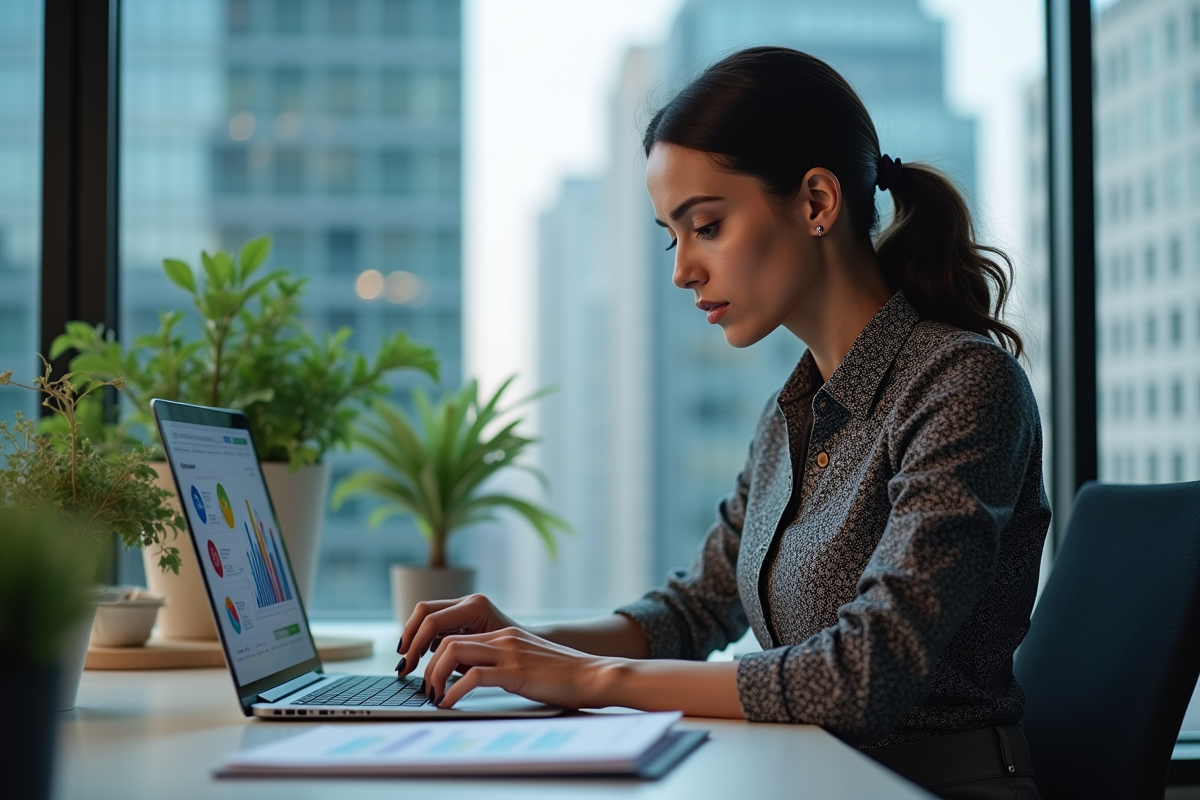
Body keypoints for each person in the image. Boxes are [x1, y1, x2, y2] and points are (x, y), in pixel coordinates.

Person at [394, 47, 1048, 800]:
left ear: (815, 203)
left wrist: (592, 679)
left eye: (705, 225)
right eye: (673, 237)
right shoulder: (792, 414)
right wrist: (515, 642)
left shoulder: (962, 383)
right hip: (811, 781)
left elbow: (866, 673)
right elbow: (694, 611)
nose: (682, 270)